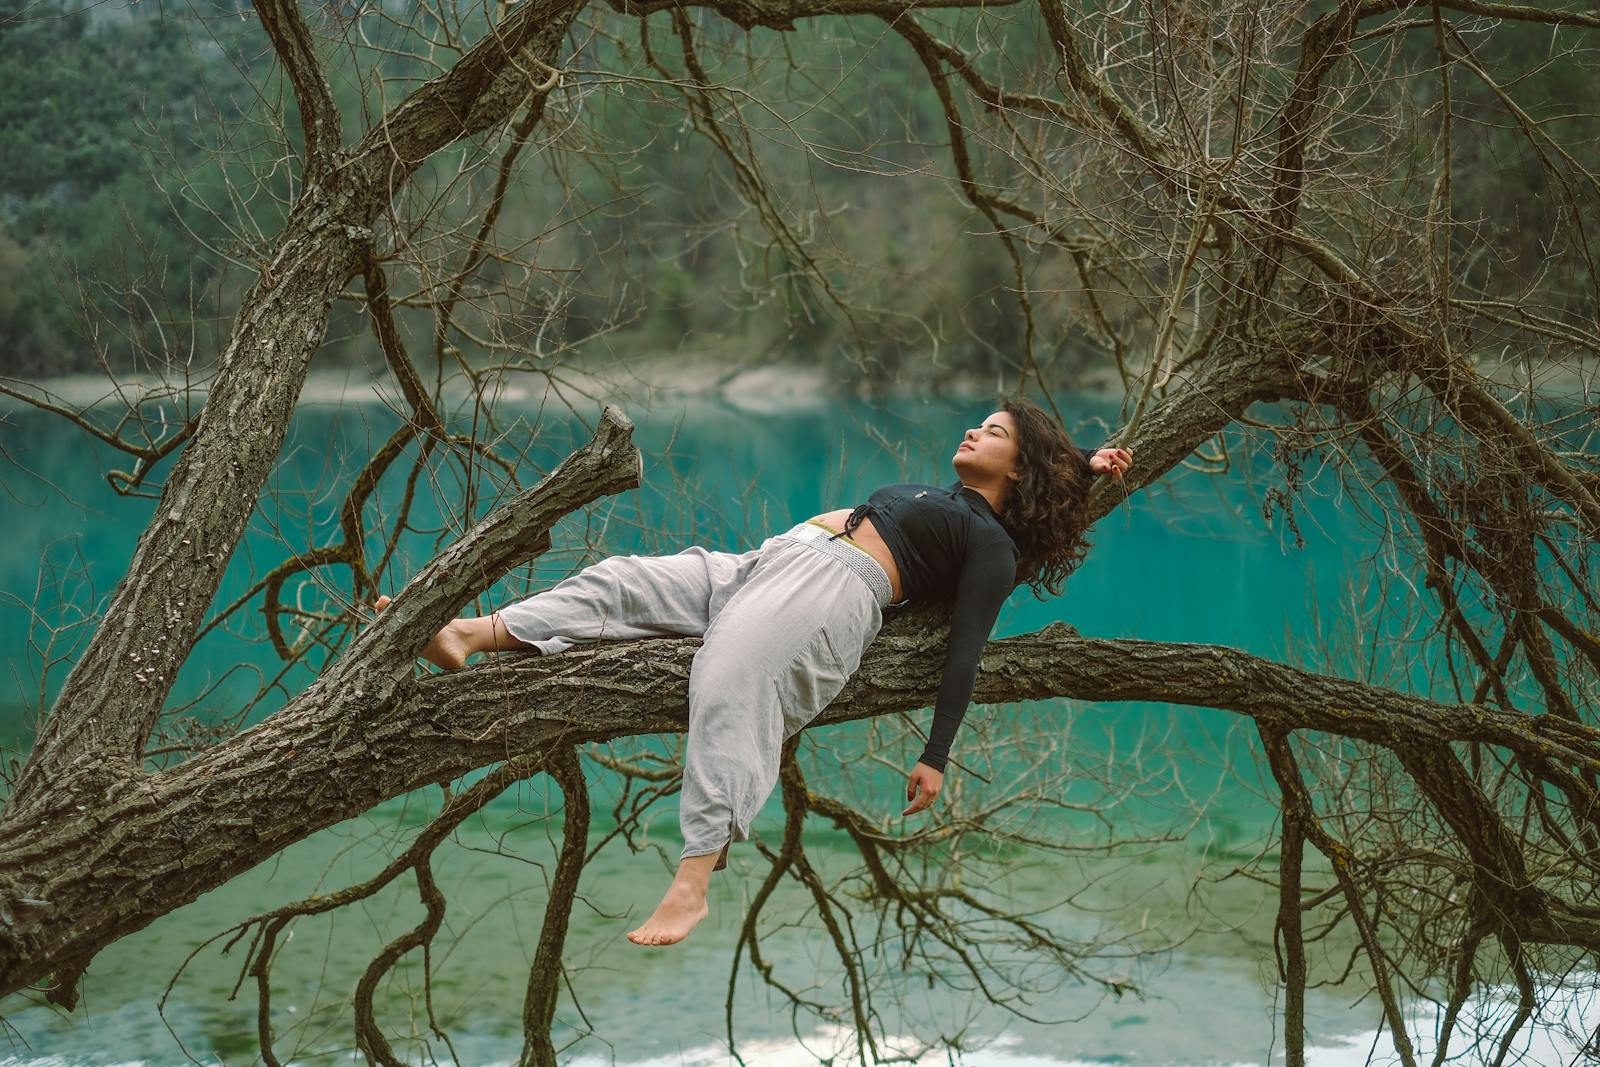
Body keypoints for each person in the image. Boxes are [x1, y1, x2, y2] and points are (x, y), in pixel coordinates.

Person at [374, 397, 1132, 947]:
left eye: (993, 430)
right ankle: (468, 633)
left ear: (1020, 467)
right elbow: (1054, 469)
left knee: (730, 682)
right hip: (770, 561)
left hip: (831, 595)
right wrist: (1085, 463)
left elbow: (965, 652)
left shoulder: (991, 544)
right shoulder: (944, 496)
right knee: (622, 581)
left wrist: (935, 755)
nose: (972, 428)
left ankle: (694, 877)